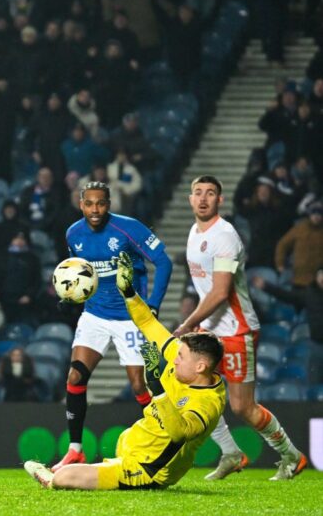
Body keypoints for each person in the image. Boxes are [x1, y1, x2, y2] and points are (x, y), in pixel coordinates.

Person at [25, 252, 226, 490]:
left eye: (180, 357)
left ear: (201, 366)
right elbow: (149, 324)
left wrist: (158, 389)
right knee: (121, 442)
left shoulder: (208, 403)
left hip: (149, 469)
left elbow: (179, 433)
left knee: (63, 478)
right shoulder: (184, 359)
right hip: (137, 445)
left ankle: (51, 479)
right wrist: (129, 293)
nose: (174, 359)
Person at [180, 176, 306, 480]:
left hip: (236, 330)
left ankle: (292, 456)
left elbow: (221, 292)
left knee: (243, 407)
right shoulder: (194, 232)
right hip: (209, 330)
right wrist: (197, 323)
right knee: (192, 390)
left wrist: (187, 322)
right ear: (190, 199)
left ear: (220, 200)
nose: (203, 198)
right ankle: (232, 453)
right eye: (198, 193)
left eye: (210, 193)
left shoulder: (225, 236)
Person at [55, 181, 173, 470]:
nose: (95, 210)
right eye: (90, 204)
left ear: (109, 204)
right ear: (81, 204)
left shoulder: (129, 228)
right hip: (94, 314)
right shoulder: (73, 233)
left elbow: (164, 262)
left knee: (139, 385)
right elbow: (82, 272)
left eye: (101, 203)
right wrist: (71, 294)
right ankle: (75, 450)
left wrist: (153, 304)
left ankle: (161, 444)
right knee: (75, 377)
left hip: (131, 317)